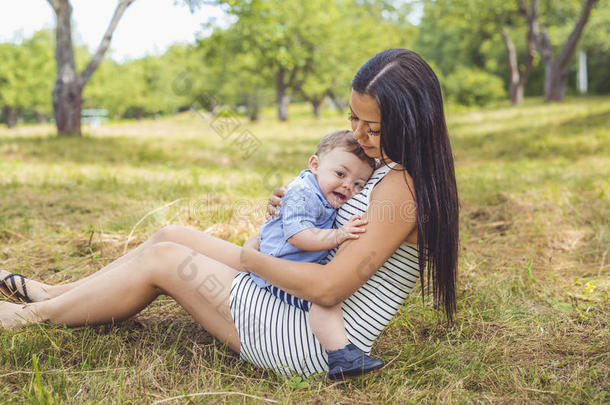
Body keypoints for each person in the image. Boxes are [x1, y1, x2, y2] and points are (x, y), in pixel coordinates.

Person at [0, 48, 459, 380]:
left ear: (409, 122)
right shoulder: (391, 168)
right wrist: (302, 206)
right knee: (169, 235)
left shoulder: (406, 189)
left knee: (164, 262)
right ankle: (51, 293)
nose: (357, 136)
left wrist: (252, 256)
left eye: (372, 127)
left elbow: (329, 287)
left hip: (315, 339)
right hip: (297, 295)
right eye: (352, 119)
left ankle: (27, 319)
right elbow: (338, 229)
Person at [248, 129, 383, 379]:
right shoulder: (302, 191)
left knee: (324, 292)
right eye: (340, 174)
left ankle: (343, 353)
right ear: (314, 164)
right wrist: (338, 235)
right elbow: (298, 235)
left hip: (294, 265)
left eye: (358, 185)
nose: (347, 186)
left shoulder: (321, 190)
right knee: (321, 299)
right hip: (277, 269)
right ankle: (340, 354)